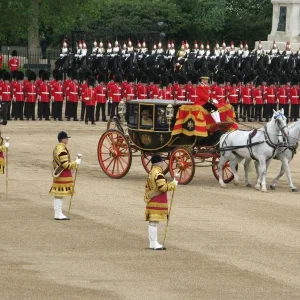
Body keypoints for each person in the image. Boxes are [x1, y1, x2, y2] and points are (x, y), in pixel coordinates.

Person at [144, 154, 177, 250]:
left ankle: (152, 243)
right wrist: (173, 184)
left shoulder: (151, 172)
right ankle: (154, 243)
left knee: (152, 222)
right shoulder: (158, 173)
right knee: (154, 222)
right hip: (157, 200)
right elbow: (163, 188)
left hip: (151, 199)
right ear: (159, 163)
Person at [49, 131, 81, 220]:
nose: (67, 140)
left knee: (58, 195)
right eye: (66, 139)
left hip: (58, 173)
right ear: (63, 140)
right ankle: (58, 214)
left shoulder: (57, 148)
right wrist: (75, 163)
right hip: (62, 174)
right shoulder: (62, 149)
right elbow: (66, 165)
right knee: (59, 194)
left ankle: (58, 213)